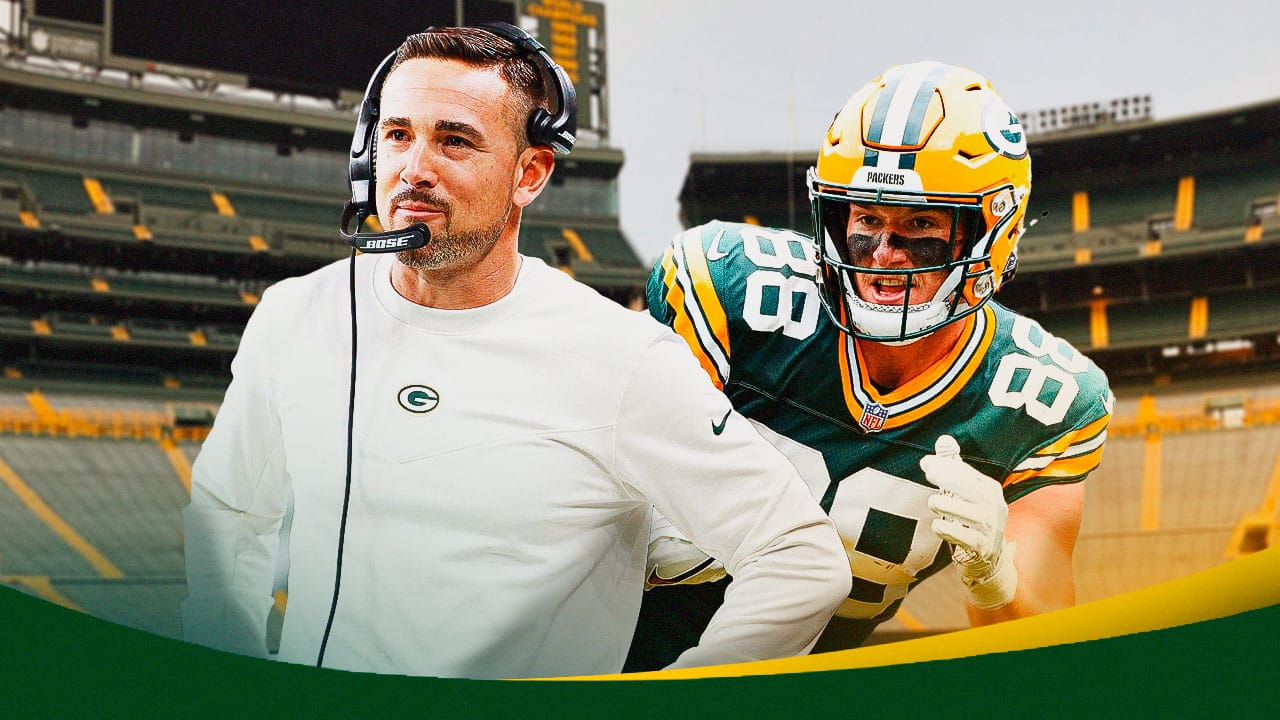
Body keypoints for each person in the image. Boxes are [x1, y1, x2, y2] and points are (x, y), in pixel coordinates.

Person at [181, 25, 850, 679]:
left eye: (455, 141)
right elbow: (230, 511)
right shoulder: (295, 314)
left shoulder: (622, 358)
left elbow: (799, 556)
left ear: (529, 173)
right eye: (397, 135)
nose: (416, 169)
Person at [626, 60, 1113, 670]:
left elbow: (1045, 658)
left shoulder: (1045, 401)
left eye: (922, 224)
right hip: (593, 653)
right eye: (866, 220)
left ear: (996, 230)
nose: (885, 254)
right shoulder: (730, 290)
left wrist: (997, 580)